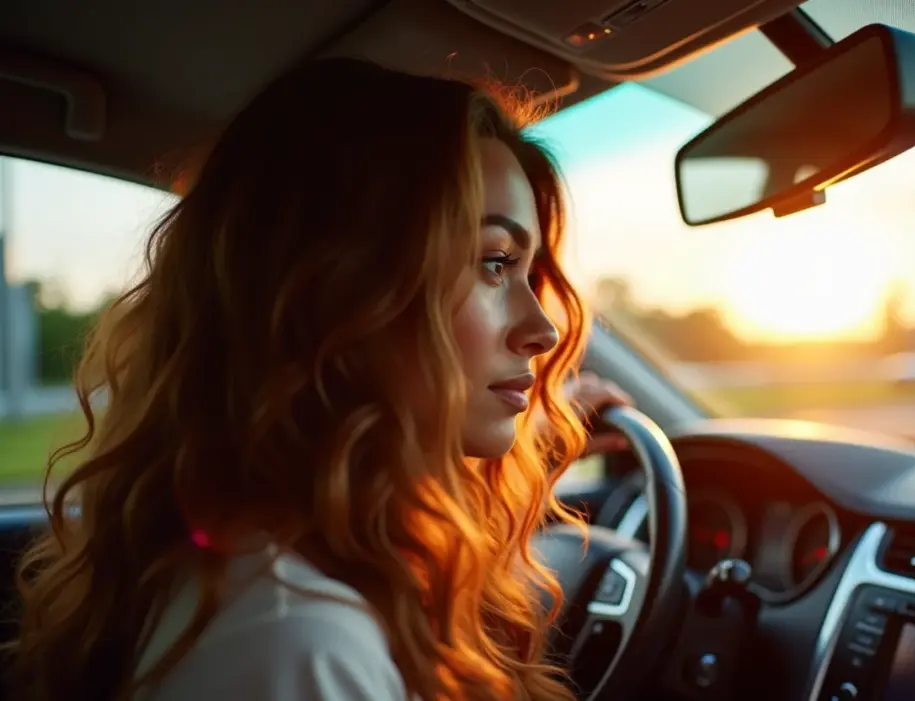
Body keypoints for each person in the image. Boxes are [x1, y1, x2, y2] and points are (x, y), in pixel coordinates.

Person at [10, 58, 633, 701]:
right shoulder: (300, 648)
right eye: (495, 263)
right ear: (339, 290)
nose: (544, 330)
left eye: (529, 275)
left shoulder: (270, 566)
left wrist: (545, 430)